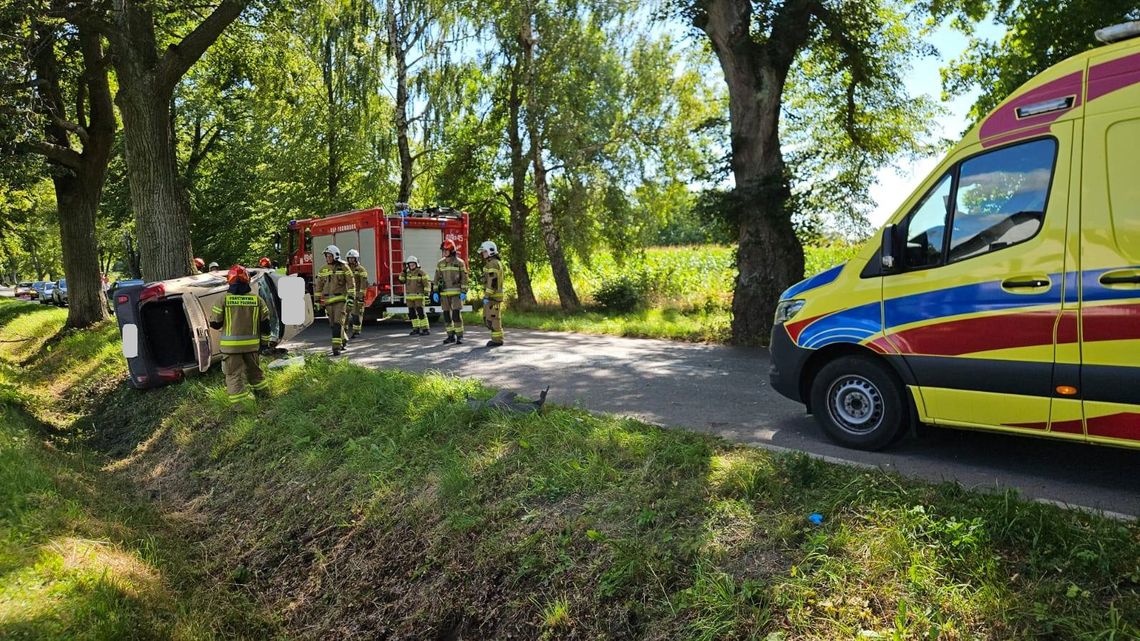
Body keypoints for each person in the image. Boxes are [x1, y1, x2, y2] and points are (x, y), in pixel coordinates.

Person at [208, 265, 271, 405]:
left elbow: (215, 324)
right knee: (256, 374)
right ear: (247, 280)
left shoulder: (223, 300)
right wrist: (264, 344)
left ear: (229, 280)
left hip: (231, 349)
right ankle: (265, 399)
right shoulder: (257, 300)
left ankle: (240, 408)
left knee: (234, 376)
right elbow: (266, 325)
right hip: (252, 347)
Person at [314, 244, 355, 355]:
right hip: (328, 302)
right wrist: (317, 301)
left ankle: (336, 348)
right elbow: (318, 286)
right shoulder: (323, 270)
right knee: (333, 325)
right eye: (326, 256)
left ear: (335, 256)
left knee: (337, 323)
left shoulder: (344, 267)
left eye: (329, 256)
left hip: (340, 300)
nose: (327, 258)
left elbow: (351, 284)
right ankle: (343, 339)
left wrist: (351, 298)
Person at [434, 239, 468, 344]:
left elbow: (464, 278)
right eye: (443, 251)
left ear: (452, 250)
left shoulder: (460, 263)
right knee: (447, 316)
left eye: (446, 250)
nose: (444, 253)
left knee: (456, 316)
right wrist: (435, 291)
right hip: (444, 294)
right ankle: (450, 336)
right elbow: (436, 278)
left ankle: (459, 336)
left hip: (457, 294)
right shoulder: (440, 263)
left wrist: (464, 291)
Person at [478, 240, 505, 348]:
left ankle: (497, 340)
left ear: (490, 251)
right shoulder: (492, 263)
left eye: (484, 252)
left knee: (492, 318)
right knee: (489, 318)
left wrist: (487, 295)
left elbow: (492, 281)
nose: (482, 254)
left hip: (493, 297)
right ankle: (496, 338)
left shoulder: (493, 263)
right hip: (493, 296)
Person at [398, 255, 431, 335]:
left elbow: (427, 284)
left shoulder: (421, 273)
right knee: (412, 313)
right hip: (409, 298)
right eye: (410, 265)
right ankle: (416, 328)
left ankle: (425, 329)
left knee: (421, 313)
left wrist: (427, 294)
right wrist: (404, 271)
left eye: (413, 264)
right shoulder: (407, 273)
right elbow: (401, 280)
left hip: (419, 297)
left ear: (416, 264)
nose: (411, 266)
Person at [345, 248, 368, 338]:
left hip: (357, 295)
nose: (351, 260)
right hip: (347, 294)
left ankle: (356, 331)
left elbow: (363, 283)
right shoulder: (346, 269)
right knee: (345, 314)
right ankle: (344, 332)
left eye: (352, 258)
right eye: (349, 258)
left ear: (356, 259)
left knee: (356, 314)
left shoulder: (361, 270)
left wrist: (361, 295)